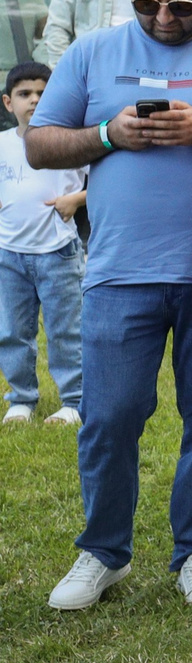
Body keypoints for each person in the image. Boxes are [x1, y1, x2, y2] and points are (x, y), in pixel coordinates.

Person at [33, 0, 192, 612]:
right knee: (109, 416)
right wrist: (107, 135)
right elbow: (42, 141)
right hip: (120, 269)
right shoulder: (93, 51)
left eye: (181, 5)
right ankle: (104, 551)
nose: (163, 18)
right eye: (146, 4)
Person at [0, 62, 85, 425]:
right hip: (9, 254)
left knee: (65, 329)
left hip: (58, 252)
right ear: (8, 103)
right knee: (12, 330)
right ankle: (21, 399)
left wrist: (76, 200)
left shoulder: (68, 140)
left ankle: (74, 400)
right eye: (24, 94)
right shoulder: (3, 144)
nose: (34, 100)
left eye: (42, 93)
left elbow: (101, 181)